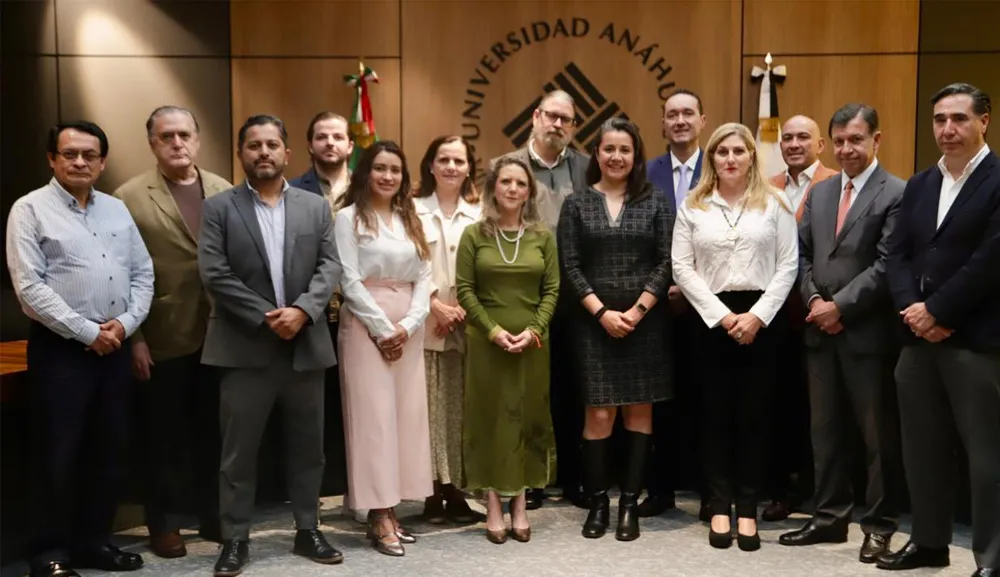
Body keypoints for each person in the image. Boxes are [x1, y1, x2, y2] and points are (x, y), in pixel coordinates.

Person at [6, 120, 153, 577]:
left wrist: (125, 325)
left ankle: (94, 543)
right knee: (58, 451)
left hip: (115, 346)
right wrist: (88, 332)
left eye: (89, 154)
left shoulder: (116, 210)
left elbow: (143, 275)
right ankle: (50, 553)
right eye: (69, 153)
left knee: (106, 451)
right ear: (52, 159)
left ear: (103, 161)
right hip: (62, 350)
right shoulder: (29, 210)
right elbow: (30, 289)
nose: (80, 161)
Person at [198, 115, 343, 576]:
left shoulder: (314, 206)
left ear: (287, 153)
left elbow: (330, 267)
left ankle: (307, 529)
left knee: (308, 448)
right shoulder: (220, 207)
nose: (264, 152)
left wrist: (302, 311)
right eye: (254, 145)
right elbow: (214, 273)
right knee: (239, 451)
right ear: (241, 154)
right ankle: (235, 538)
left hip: (305, 345)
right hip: (244, 347)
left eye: (272, 144)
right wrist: (268, 317)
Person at [882, 82, 999, 577]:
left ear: (984, 122)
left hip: (974, 341)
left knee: (986, 458)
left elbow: (991, 261)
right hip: (917, 339)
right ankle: (929, 544)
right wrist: (913, 308)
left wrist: (939, 311)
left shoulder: (997, 178)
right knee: (921, 450)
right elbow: (899, 255)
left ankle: (993, 560)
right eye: (939, 120)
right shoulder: (921, 183)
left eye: (959, 119)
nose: (947, 129)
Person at [779, 104, 905, 563]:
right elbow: (802, 256)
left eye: (856, 139)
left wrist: (841, 307)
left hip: (867, 333)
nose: (847, 148)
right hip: (819, 331)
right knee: (824, 431)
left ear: (877, 140)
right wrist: (814, 302)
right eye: (840, 141)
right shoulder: (822, 191)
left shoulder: (897, 192)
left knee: (876, 437)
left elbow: (889, 264)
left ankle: (879, 524)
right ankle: (829, 517)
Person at [671, 122, 798, 552]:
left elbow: (788, 266)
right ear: (711, 159)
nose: (730, 159)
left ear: (750, 157)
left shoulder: (775, 202)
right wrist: (725, 317)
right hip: (710, 322)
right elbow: (681, 268)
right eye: (721, 152)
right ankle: (719, 505)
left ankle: (748, 509)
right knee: (713, 416)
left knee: (755, 417)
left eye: (738, 151)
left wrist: (756, 317)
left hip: (763, 321)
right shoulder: (693, 205)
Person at [113, 105, 231, 557]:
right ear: (153, 144)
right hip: (161, 334)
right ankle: (163, 524)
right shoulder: (128, 196)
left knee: (215, 432)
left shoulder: (224, 189)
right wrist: (135, 338)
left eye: (184, 134)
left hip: (221, 334)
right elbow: (120, 273)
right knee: (161, 437)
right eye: (167, 136)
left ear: (198, 139)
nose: (177, 143)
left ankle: (214, 514)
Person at [558, 117, 673, 542]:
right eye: (609, 149)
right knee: (600, 413)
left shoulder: (655, 201)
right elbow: (569, 265)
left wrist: (638, 310)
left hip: (646, 324)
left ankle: (629, 505)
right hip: (593, 324)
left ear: (635, 156)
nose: (616, 157)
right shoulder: (577, 204)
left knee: (639, 412)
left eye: (625, 149)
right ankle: (599, 503)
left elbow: (666, 261)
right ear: (597, 154)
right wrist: (603, 312)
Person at [335, 141, 434, 557]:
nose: (388, 176)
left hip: (408, 330)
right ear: (365, 173)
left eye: (395, 169)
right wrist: (382, 329)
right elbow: (348, 279)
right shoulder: (348, 218)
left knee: (404, 420)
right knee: (373, 421)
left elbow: (426, 275)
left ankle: (393, 508)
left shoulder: (410, 218)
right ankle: (378, 515)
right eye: (380, 168)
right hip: (365, 327)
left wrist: (409, 325)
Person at [490, 89, 588, 510]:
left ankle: (573, 478)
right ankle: (528, 479)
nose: (558, 125)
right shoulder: (505, 167)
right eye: (552, 116)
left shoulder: (587, 167)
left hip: (578, 297)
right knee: (526, 392)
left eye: (567, 120)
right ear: (535, 117)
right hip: (521, 297)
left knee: (574, 390)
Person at [457, 156, 559, 544]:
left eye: (521, 183)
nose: (513, 189)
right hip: (487, 343)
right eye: (506, 182)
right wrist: (493, 331)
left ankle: (521, 503)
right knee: (491, 420)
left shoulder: (542, 236)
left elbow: (552, 290)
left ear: (530, 191)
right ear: (493, 188)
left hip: (533, 344)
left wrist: (533, 330)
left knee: (527, 417)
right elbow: (465, 289)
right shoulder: (474, 234)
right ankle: (494, 504)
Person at [760, 114, 838, 522]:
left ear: (820, 144)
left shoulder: (834, 183)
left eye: (803, 137)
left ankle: (817, 492)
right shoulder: (768, 187)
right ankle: (781, 491)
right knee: (781, 407)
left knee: (820, 411)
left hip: (820, 313)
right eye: (787, 137)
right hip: (774, 316)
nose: (793, 144)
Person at [642, 88, 709, 521]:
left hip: (710, 306)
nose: (680, 120)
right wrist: (662, 286)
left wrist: (693, 287)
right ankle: (660, 490)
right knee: (659, 403)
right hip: (658, 306)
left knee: (707, 399)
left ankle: (710, 492)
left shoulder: (720, 167)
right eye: (672, 114)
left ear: (702, 120)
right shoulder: (645, 174)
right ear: (663, 124)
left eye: (688, 113)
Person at [289, 111, 359, 521]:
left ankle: (358, 486)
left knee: (357, 405)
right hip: (313, 313)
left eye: (338, 137)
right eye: (321, 137)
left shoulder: (369, 188)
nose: (330, 143)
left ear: (351, 145)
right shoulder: (293, 189)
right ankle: (309, 491)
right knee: (313, 409)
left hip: (359, 312)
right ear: (310, 145)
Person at [414, 136, 483, 524]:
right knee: (426, 410)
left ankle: (455, 488)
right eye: (444, 159)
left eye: (459, 160)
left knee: (458, 409)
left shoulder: (479, 212)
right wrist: (434, 305)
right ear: (431, 164)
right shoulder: (411, 210)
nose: (451, 167)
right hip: (423, 323)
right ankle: (428, 490)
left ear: (469, 167)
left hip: (466, 324)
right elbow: (404, 266)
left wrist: (461, 310)